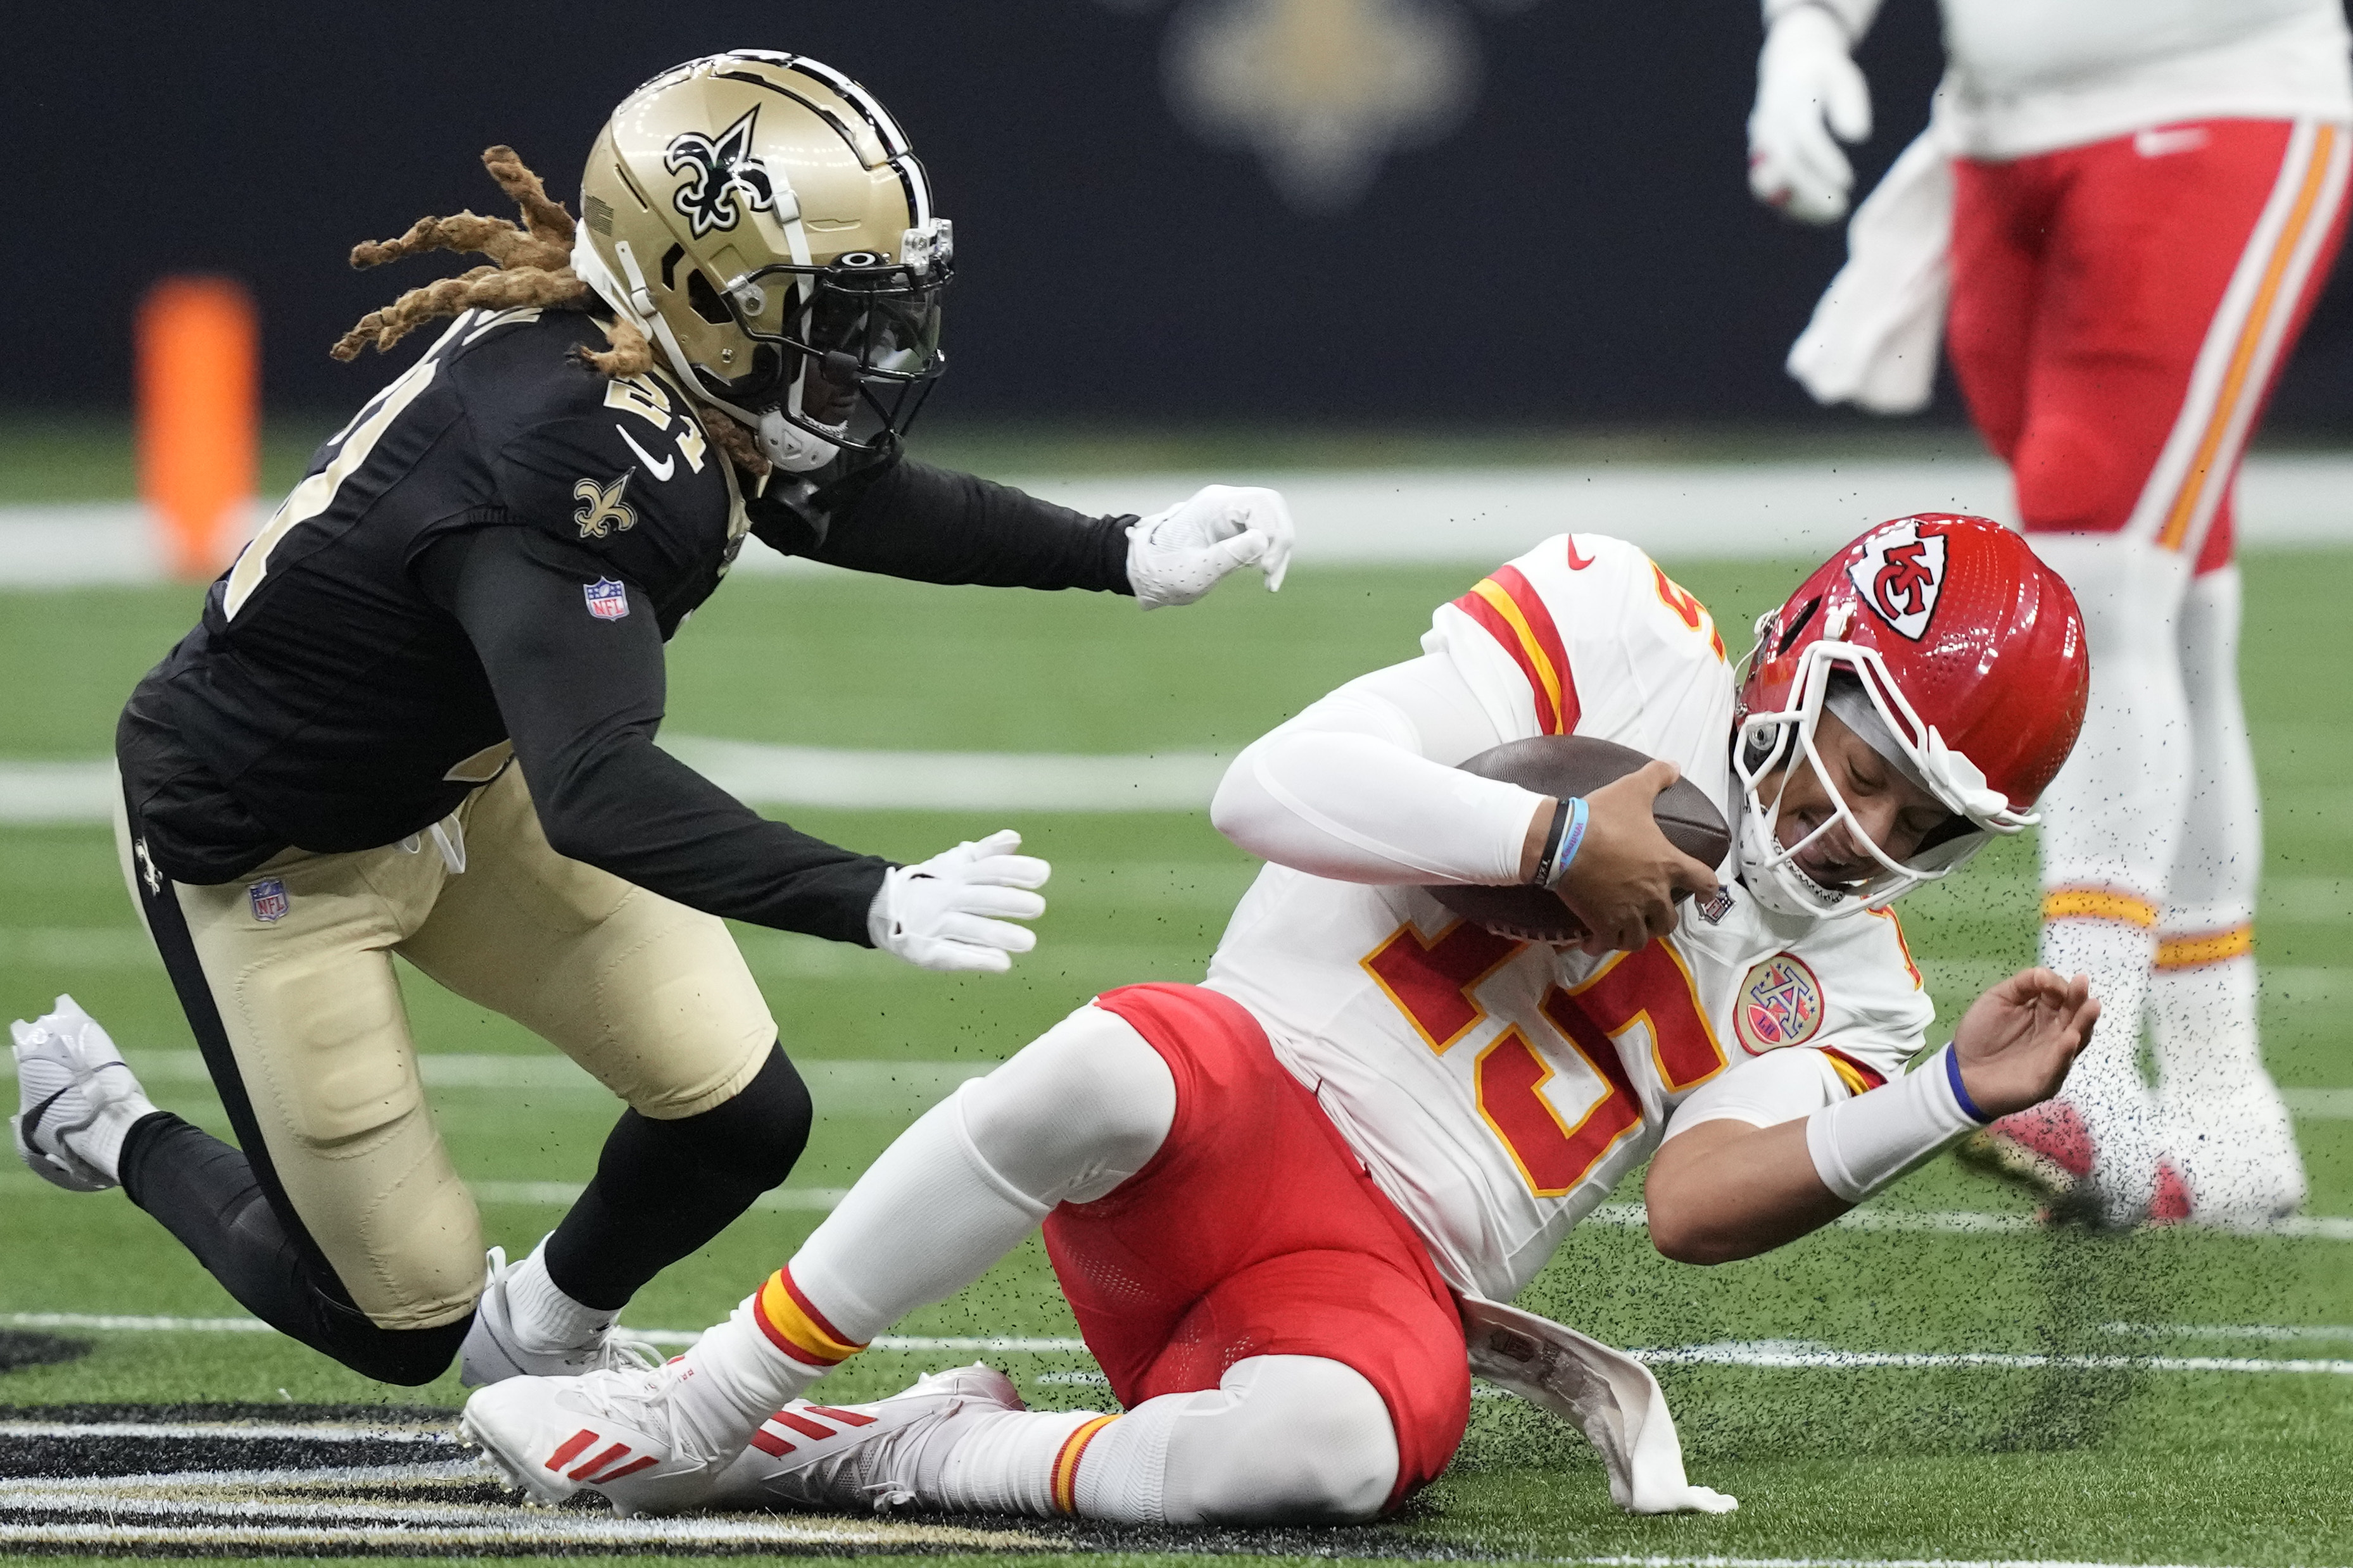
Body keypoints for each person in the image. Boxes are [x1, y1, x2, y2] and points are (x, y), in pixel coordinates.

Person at [6, 52, 1294, 1391]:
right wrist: (867, 897)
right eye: (828, 313)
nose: (871, 351)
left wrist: (1121, 551)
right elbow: (600, 790)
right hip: (271, 848)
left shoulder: (649, 364)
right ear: (691, 291)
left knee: (742, 1117)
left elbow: (830, 498)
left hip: (466, 781)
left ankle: (545, 1339)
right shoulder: (561, 452)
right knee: (396, 1322)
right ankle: (104, 1122)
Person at [456, 514, 2100, 1526]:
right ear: (1805, 653)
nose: (1857, 834)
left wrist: (1945, 1086)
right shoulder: (1616, 625)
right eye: (1864, 766)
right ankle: (699, 1408)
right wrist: (1543, 836)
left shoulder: (1860, 985)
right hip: (1225, 1114)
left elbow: (1694, 1201)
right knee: (1110, 1054)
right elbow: (1267, 785)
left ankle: (904, 1450)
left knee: (1338, 1452)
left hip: (1369, 1284)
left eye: (1923, 826)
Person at [1746, 0, 2351, 1227]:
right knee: (2173, 606)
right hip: (2001, 127)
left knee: (2104, 575)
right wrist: (1806, 28)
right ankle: (2226, 1110)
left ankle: (2086, 1049)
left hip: (2218, 91)